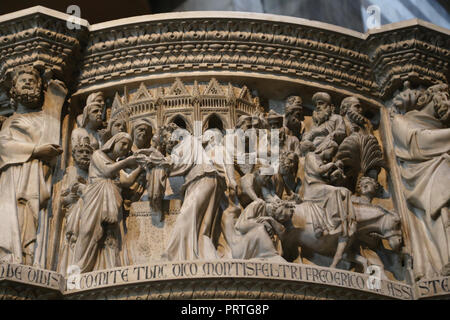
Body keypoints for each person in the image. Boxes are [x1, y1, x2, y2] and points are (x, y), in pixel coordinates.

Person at [0, 66, 66, 266]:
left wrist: (55, 98)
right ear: (13, 89)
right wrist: (36, 150)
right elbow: (3, 145)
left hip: (36, 176)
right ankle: (12, 255)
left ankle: (30, 257)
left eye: (32, 80)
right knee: (14, 212)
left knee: (31, 213)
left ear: (40, 88)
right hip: (13, 175)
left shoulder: (44, 119)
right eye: (23, 80)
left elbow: (53, 143)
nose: (27, 83)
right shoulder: (10, 121)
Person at [392, 83, 450, 279]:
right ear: (433, 96)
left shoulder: (442, 129)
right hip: (424, 179)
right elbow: (419, 143)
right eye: (445, 96)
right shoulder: (401, 120)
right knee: (442, 212)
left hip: (440, 172)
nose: (448, 102)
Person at [72, 132, 143, 272]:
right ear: (113, 142)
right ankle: (78, 269)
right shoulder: (98, 154)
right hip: (95, 197)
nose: (125, 148)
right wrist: (127, 162)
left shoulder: (116, 164)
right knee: (88, 231)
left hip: (111, 199)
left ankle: (107, 266)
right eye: (123, 144)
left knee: (110, 235)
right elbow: (106, 171)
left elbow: (126, 181)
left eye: (128, 146)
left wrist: (141, 167)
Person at [57, 136, 93, 275]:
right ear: (74, 155)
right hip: (73, 214)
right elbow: (59, 199)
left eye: (88, 152)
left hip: (88, 214)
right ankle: (70, 274)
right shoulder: (69, 172)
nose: (84, 154)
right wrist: (69, 198)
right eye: (81, 152)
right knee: (72, 242)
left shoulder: (94, 172)